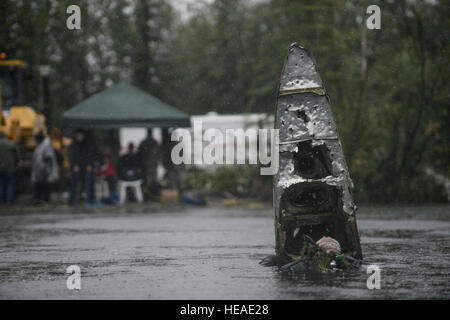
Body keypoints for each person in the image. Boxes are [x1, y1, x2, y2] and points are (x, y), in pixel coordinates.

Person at [68, 129, 98, 205]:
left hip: (85, 167)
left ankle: (89, 200)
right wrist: (74, 165)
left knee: (88, 182)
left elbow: (90, 155)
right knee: (73, 184)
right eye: (78, 136)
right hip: (77, 167)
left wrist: (89, 164)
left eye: (81, 136)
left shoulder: (88, 144)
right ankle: (72, 201)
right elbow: (72, 156)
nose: (80, 137)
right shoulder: (73, 145)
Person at [31, 131, 59, 203]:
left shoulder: (45, 146)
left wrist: (45, 168)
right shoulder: (41, 145)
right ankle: (41, 198)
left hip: (43, 168)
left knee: (43, 184)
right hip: (41, 168)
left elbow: (48, 158)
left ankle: (42, 198)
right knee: (41, 184)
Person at [138, 129, 160, 194]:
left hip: (153, 165)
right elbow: (140, 154)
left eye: (150, 132)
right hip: (146, 166)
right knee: (147, 181)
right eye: (149, 132)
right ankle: (147, 195)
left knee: (154, 181)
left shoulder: (155, 142)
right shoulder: (143, 142)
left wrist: (157, 161)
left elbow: (159, 153)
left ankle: (154, 194)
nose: (149, 134)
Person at [0, 131, 19, 204]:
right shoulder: (11, 143)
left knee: (0, 185)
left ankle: (1, 201)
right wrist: (16, 165)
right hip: (9, 168)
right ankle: (8, 201)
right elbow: (17, 155)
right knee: (10, 184)